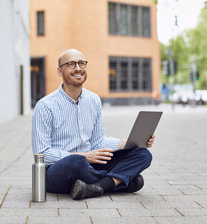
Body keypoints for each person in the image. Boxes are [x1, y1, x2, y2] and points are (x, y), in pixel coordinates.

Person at [32, 49, 155, 200]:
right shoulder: (45, 105)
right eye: (71, 64)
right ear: (59, 71)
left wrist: (134, 142)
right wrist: (84, 156)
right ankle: (118, 181)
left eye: (82, 63)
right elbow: (41, 154)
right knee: (76, 162)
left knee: (142, 154)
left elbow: (98, 142)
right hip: (58, 170)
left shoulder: (94, 100)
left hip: (91, 165)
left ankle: (98, 187)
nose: (78, 68)